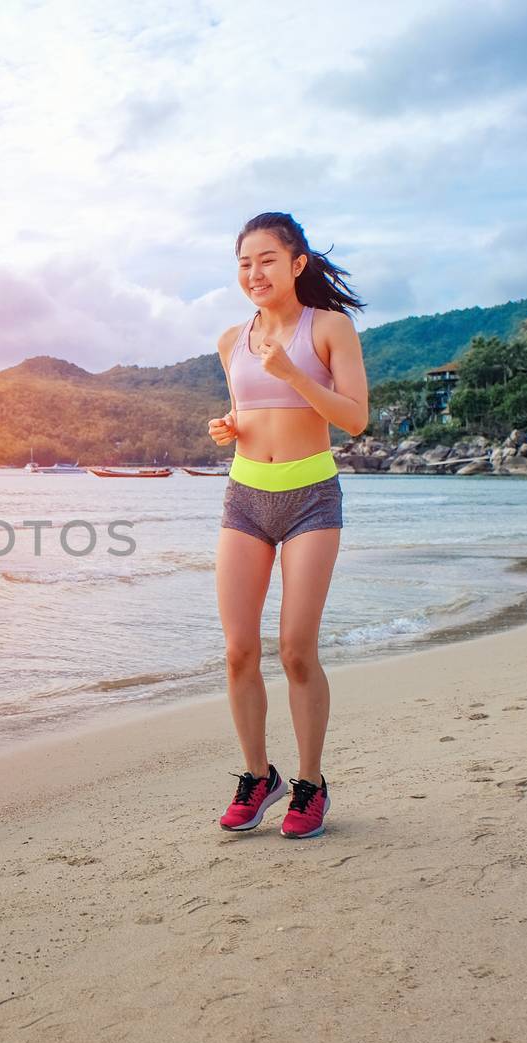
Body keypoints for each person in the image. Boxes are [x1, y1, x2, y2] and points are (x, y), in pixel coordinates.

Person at [208, 212, 369, 839]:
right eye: (245, 263)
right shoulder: (231, 340)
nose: (255, 273)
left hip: (310, 498)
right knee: (238, 650)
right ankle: (257, 775)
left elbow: (354, 418)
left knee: (296, 650)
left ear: (298, 264)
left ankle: (310, 784)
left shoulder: (329, 328)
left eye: (267, 260)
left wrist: (294, 374)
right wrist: (227, 427)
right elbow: (250, 410)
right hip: (245, 497)